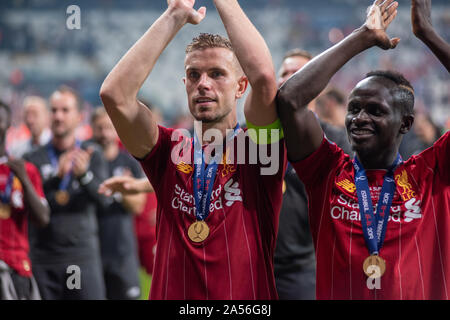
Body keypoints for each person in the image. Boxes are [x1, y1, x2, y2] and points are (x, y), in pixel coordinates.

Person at [100, 0, 285, 299]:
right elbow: (115, 95)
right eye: (195, 75)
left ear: (240, 87)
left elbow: (264, 78)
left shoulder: (261, 150)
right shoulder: (168, 150)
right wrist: (173, 16)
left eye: (216, 73)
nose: (203, 84)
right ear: (185, 83)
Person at [277, 0, 449, 299]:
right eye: (354, 108)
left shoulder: (431, 173)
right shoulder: (327, 171)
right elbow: (289, 101)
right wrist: (362, 36)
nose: (359, 118)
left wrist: (427, 34)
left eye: (375, 110)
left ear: (405, 123)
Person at [274, 50, 352, 300]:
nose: (289, 79)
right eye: (284, 73)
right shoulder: (253, 136)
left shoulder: (337, 139)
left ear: (316, 86)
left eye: (298, 74)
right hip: (254, 264)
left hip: (305, 267)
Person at [24, 86, 109, 300]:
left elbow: (104, 201)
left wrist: (83, 176)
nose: (58, 116)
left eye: (65, 110)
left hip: (80, 258)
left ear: (79, 116)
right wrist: (56, 178)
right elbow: (29, 206)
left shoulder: (92, 154)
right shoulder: (33, 158)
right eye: (53, 110)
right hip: (43, 260)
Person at [90, 107, 146, 300]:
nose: (104, 133)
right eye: (99, 128)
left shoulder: (129, 162)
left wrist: (121, 191)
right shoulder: (85, 162)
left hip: (122, 252)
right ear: (92, 129)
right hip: (91, 252)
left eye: (108, 127)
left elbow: (138, 205)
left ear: (116, 129)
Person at [0, 100, 50, 300]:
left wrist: (25, 181)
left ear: (8, 125)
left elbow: (43, 218)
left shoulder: (25, 170)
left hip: (14, 268)